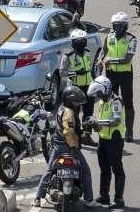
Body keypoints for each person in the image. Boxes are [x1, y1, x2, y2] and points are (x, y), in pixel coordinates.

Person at [33, 86, 100, 208]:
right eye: (76, 102)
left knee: (49, 171)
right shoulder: (69, 113)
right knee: (85, 171)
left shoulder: (61, 108)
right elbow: (68, 131)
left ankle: (38, 197)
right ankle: (89, 199)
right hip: (67, 146)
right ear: (70, 101)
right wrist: (74, 147)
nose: (78, 105)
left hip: (57, 146)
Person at [87, 76, 126, 208]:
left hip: (115, 139)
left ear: (105, 89)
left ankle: (119, 199)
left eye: (98, 93)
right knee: (104, 168)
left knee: (117, 169)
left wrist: (98, 122)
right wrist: (93, 125)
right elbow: (101, 124)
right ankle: (104, 196)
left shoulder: (116, 101)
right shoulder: (103, 102)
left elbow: (116, 121)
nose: (97, 96)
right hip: (103, 139)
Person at [98, 11, 136, 142]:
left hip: (125, 74)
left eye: (120, 25)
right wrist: (100, 59)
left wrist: (110, 60)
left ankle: (129, 131)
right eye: (115, 25)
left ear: (125, 26)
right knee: (112, 100)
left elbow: (127, 59)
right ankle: (113, 127)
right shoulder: (109, 37)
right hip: (111, 73)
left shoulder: (132, 39)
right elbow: (104, 50)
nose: (117, 28)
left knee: (128, 102)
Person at [60, 28, 97, 146]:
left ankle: (87, 136)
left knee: (89, 112)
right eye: (79, 42)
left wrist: (95, 80)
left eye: (83, 41)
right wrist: (75, 73)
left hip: (89, 86)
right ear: (73, 43)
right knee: (74, 114)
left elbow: (92, 69)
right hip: (75, 89)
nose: (82, 44)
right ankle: (75, 137)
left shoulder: (87, 53)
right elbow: (62, 72)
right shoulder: (68, 56)